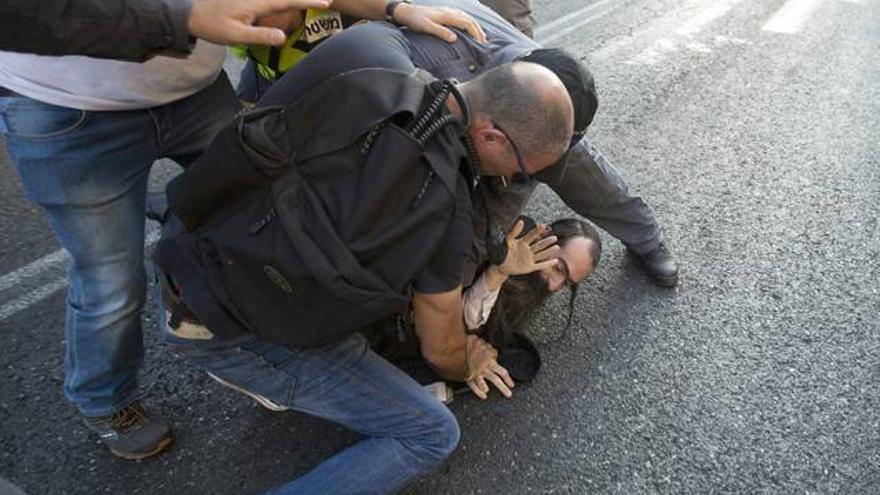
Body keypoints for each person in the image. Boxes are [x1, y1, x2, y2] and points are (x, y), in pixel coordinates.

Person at [0, 0, 490, 461]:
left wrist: (396, 9)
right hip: (68, 109)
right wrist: (184, 16)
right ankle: (106, 399)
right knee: (111, 281)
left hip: (194, 93)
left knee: (268, 211)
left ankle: (249, 332)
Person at [160, 35, 574, 491]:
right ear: (491, 135)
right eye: (520, 170)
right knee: (432, 433)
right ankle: (264, 370)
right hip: (219, 324)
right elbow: (441, 349)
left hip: (186, 240)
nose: (511, 180)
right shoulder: (447, 208)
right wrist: (467, 365)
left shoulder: (368, 51)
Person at [226, 0, 680, 288]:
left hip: (498, 112)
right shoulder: (439, 60)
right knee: (446, 193)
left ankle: (646, 239)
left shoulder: (534, 101)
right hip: (443, 94)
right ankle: (450, 278)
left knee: (568, 174)